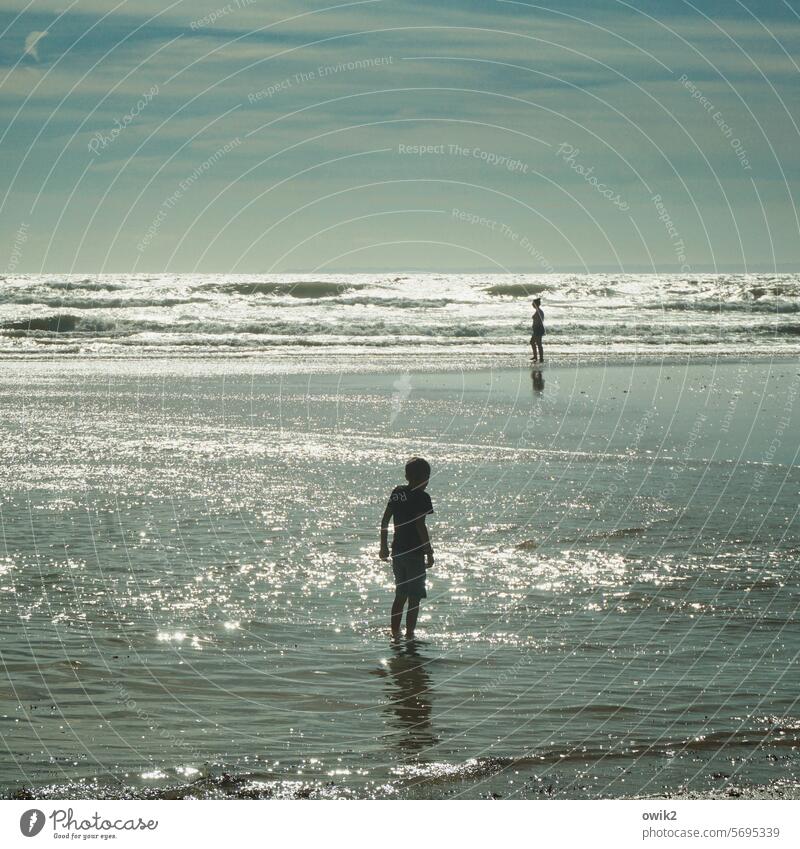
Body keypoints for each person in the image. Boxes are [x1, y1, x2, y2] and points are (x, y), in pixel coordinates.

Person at [379, 457, 434, 640]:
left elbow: (385, 520)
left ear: (406, 475)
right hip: (415, 553)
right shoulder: (423, 497)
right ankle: (410, 634)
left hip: (398, 552)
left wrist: (383, 546)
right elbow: (420, 525)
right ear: (425, 478)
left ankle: (395, 632)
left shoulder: (397, 492)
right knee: (415, 597)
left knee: (400, 594)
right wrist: (429, 551)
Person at [530, 297, 545, 363]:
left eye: (533, 303)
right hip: (537, 329)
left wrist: (536, 328)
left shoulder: (539, 311)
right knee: (532, 342)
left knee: (538, 343)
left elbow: (540, 321)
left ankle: (541, 358)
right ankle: (535, 356)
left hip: (538, 329)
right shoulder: (538, 311)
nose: (532, 304)